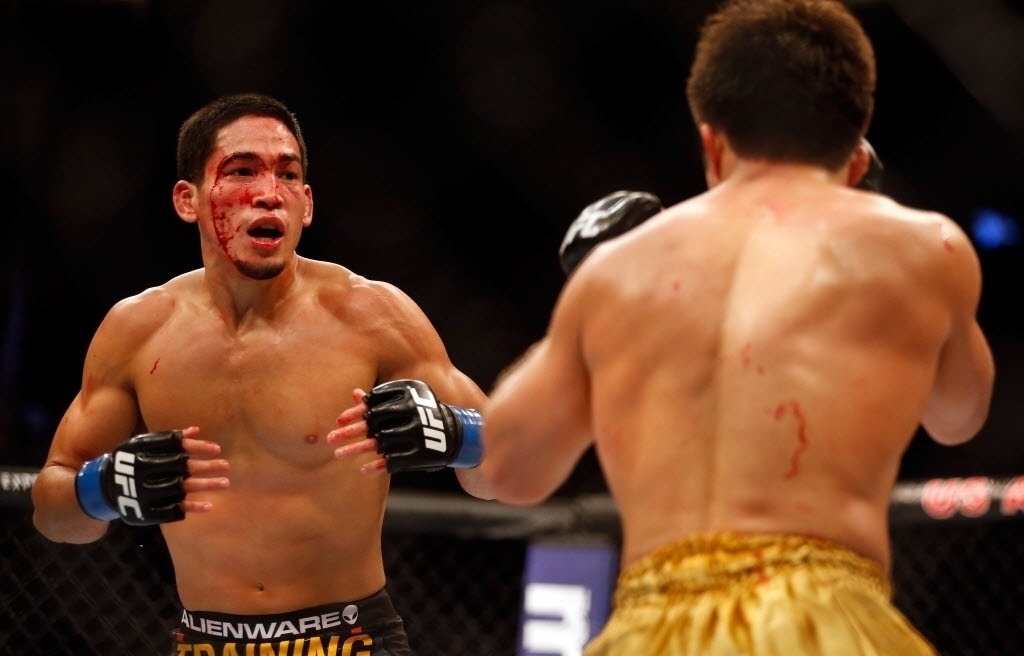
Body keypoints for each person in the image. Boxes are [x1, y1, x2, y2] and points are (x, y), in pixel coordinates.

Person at [333, 0, 995, 654]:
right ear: (856, 147)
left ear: (712, 142)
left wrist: (596, 299)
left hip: (654, 627)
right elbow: (958, 418)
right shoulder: (922, 247)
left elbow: (509, 470)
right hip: (824, 617)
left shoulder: (623, 271)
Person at [31, 92, 495, 656]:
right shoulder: (137, 330)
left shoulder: (373, 315)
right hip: (204, 643)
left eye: (287, 174)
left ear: (306, 203)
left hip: (351, 639)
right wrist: (101, 488)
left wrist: (457, 434)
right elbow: (53, 514)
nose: (268, 194)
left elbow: (510, 470)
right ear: (188, 199)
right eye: (242, 170)